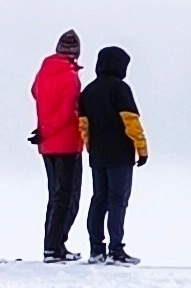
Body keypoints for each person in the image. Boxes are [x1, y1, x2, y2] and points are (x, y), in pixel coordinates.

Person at [75, 43, 147, 263]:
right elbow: (131, 121)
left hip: (98, 154)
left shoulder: (88, 91)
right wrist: (141, 149)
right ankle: (116, 250)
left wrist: (90, 148)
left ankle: (96, 249)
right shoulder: (120, 89)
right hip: (120, 155)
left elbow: (83, 125)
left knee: (99, 200)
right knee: (118, 201)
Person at [30, 30, 85, 261]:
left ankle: (51, 245)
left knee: (54, 195)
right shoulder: (70, 78)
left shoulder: (43, 72)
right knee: (67, 197)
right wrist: (48, 130)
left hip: (47, 145)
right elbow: (66, 113)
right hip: (67, 144)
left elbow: (34, 92)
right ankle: (55, 246)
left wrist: (43, 131)